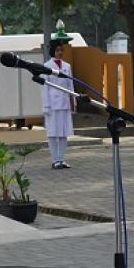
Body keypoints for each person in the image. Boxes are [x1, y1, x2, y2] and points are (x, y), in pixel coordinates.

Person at [42, 35, 76, 169]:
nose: (60, 52)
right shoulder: (46, 66)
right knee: (52, 132)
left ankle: (61, 159)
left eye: (61, 50)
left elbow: (70, 85)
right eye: (57, 50)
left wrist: (73, 102)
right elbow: (45, 87)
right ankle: (55, 159)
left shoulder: (67, 66)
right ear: (52, 51)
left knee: (63, 132)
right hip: (52, 104)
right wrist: (46, 105)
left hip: (64, 103)